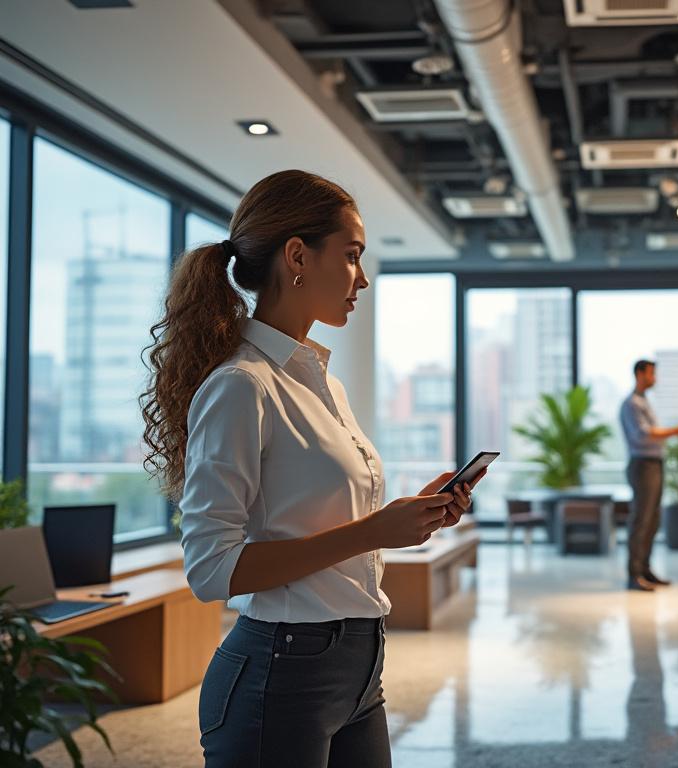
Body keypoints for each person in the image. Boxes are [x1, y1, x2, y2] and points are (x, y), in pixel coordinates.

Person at [139, 170, 484, 767]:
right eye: (351, 256)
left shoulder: (323, 383)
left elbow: (322, 527)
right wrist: (375, 531)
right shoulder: (241, 386)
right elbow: (211, 569)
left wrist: (409, 518)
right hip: (281, 672)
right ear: (297, 256)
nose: (363, 278)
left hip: (358, 666)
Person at [619, 360, 678, 592]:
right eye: (652, 374)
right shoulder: (631, 404)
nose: (655, 378)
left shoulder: (644, 402)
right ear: (639, 374)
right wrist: (677, 431)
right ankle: (634, 575)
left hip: (654, 464)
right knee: (641, 520)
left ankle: (645, 570)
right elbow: (643, 435)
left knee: (653, 520)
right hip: (643, 466)